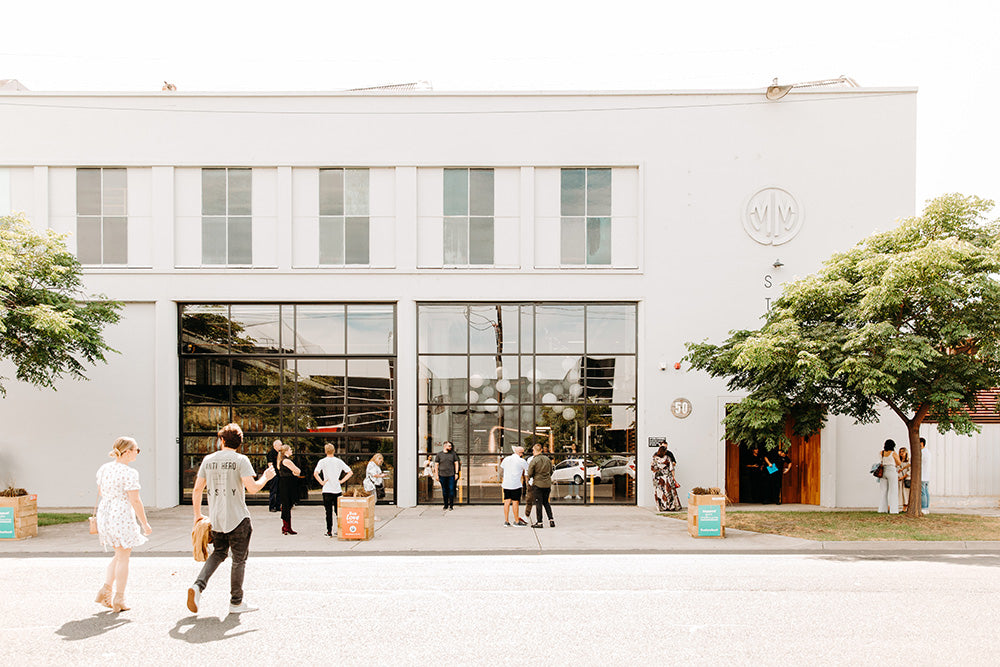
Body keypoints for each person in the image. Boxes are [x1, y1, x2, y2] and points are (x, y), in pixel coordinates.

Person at [188, 423, 275, 615]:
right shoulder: (241, 460)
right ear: (239, 443)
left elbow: (197, 490)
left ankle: (198, 586)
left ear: (222, 440)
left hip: (216, 519)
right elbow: (253, 488)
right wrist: (266, 477)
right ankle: (236, 602)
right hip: (238, 518)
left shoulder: (208, 460)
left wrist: (197, 515)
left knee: (218, 553)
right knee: (239, 560)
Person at [95, 437, 152, 613]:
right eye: (136, 449)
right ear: (127, 451)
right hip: (120, 514)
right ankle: (119, 597)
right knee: (123, 557)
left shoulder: (104, 469)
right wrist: (145, 523)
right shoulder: (129, 473)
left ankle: (106, 590)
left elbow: (100, 491)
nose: (137, 452)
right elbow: (135, 499)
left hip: (105, 513)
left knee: (119, 554)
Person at [313, 444, 353, 537]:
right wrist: (341, 481)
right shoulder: (339, 461)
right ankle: (340, 529)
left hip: (327, 489)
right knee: (338, 511)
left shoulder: (322, 461)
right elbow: (350, 472)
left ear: (325, 451)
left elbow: (316, 473)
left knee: (328, 511)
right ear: (334, 451)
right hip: (337, 489)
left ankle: (329, 531)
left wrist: (321, 482)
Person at [525, 444, 555, 528]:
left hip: (538, 484)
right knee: (546, 502)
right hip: (547, 484)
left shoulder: (534, 460)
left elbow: (530, 472)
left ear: (534, 450)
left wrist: (531, 477)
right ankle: (551, 519)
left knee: (538, 503)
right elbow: (551, 471)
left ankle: (539, 522)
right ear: (541, 450)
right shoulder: (547, 459)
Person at [500, 446, 529, 526]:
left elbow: (501, 469)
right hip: (515, 484)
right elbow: (527, 469)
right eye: (522, 453)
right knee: (515, 502)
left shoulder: (506, 459)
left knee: (507, 502)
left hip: (506, 484)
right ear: (520, 453)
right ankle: (516, 521)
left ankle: (506, 521)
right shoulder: (521, 461)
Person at [277, 444, 302, 535]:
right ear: (286, 451)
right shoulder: (287, 461)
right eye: (290, 449)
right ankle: (286, 527)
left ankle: (286, 527)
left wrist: (294, 473)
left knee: (286, 505)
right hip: (287, 485)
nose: (292, 451)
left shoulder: (282, 460)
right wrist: (294, 473)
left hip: (285, 484)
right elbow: (298, 471)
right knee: (287, 505)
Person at [651, 444, 682, 511]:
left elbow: (653, 468)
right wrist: (674, 478)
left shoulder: (655, 458)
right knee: (669, 492)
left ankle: (662, 507)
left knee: (660, 492)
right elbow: (671, 468)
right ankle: (671, 506)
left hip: (658, 478)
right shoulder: (667, 458)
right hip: (667, 477)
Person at [876, 439, 902, 514]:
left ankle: (882, 509)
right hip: (891, 470)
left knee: (883, 491)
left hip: (883, 471)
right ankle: (893, 510)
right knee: (893, 491)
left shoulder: (881, 453)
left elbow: (881, 461)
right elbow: (899, 463)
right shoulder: (893, 453)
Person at [434, 441, 461, 511]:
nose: (450, 447)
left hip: (451, 475)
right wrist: (436, 475)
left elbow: (456, 463)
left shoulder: (453, 454)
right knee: (444, 491)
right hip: (442, 475)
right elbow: (436, 465)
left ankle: (451, 505)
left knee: (451, 490)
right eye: (449, 446)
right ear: (444, 446)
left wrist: (456, 473)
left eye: (451, 446)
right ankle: (445, 505)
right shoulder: (439, 454)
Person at [365, 453, 388, 519]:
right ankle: (371, 516)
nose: (381, 462)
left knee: (372, 501)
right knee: (371, 501)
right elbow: (374, 474)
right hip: (370, 485)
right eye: (381, 461)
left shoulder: (375, 465)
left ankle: (370, 515)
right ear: (377, 459)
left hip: (373, 485)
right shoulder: (372, 464)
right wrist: (381, 476)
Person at [266, 439, 282, 512]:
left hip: (279, 474)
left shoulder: (279, 453)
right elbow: (270, 464)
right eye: (280, 445)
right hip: (273, 475)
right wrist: (273, 474)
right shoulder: (271, 453)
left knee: (279, 491)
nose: (281, 446)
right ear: (275, 445)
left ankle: (278, 506)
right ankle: (271, 507)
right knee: (273, 490)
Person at [897, 446, 911, 511]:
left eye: (903, 452)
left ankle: (905, 507)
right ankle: (901, 506)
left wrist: (903, 477)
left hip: (906, 479)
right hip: (899, 479)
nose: (901, 453)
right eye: (900, 452)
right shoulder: (898, 461)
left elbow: (910, 471)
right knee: (901, 493)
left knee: (906, 493)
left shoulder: (908, 461)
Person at [920, 437, 931, 515]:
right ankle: (926, 508)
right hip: (927, 475)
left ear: (922, 443)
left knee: (923, 492)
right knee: (926, 492)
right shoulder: (927, 452)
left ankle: (924, 508)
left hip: (923, 475)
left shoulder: (922, 452)